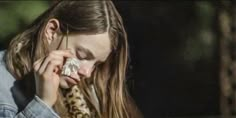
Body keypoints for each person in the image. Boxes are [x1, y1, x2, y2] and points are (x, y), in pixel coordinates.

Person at [0, 1, 142, 118]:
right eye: (82, 55)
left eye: (97, 64)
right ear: (51, 31)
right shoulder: (3, 89)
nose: (87, 73)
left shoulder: (90, 95)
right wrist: (43, 104)